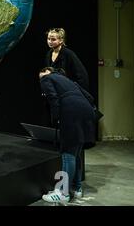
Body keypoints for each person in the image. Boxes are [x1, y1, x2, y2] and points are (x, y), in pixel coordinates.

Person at [39, 67, 95, 204]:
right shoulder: (68, 81)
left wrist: (56, 118)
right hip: (86, 112)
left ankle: (63, 193)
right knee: (76, 152)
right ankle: (77, 189)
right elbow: (90, 97)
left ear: (48, 73)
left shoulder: (46, 79)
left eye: (41, 76)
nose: (40, 78)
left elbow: (53, 98)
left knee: (67, 153)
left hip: (71, 112)